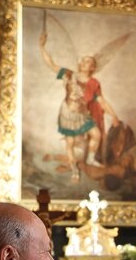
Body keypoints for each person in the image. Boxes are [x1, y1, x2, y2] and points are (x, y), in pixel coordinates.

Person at [39, 37, 120, 180]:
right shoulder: (69, 74)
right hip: (68, 114)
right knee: (70, 144)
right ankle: (74, 171)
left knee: (96, 134)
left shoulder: (94, 83)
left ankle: (90, 159)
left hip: (82, 115)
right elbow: (52, 65)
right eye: (83, 60)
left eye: (87, 61)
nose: (83, 62)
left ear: (92, 68)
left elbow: (102, 102)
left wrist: (113, 116)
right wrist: (42, 47)